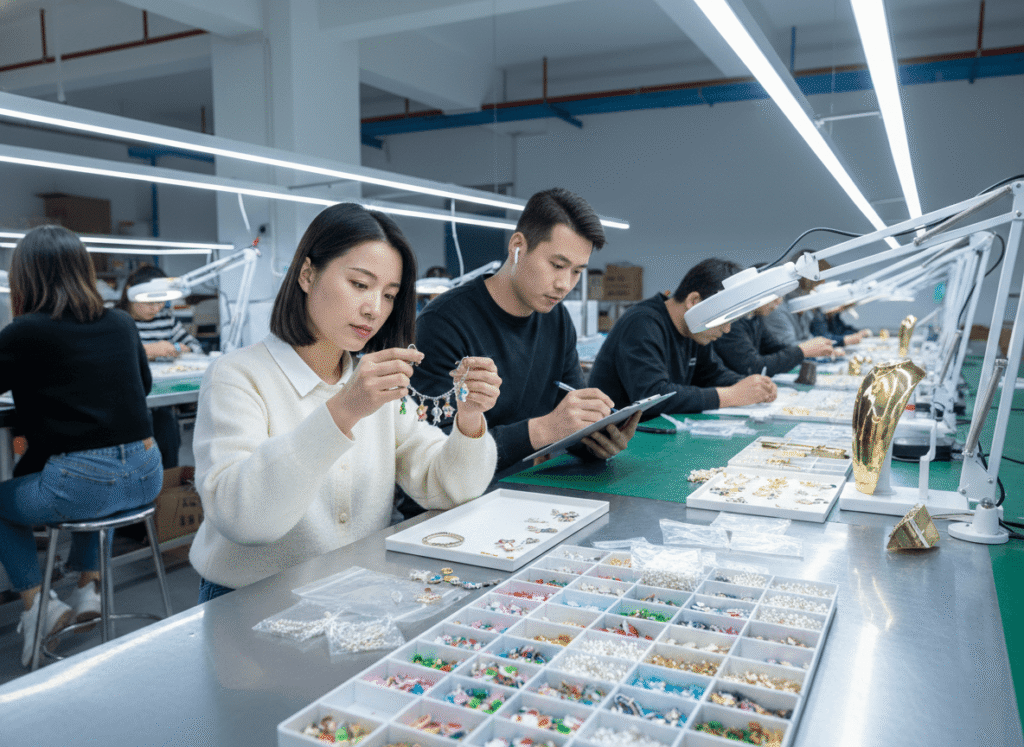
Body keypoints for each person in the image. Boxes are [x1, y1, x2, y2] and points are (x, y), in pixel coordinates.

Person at [189, 203, 500, 603]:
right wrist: (344, 411)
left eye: (389, 295)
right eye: (359, 284)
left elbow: (448, 487)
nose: (374, 308)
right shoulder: (237, 375)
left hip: (356, 593)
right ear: (307, 274)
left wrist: (470, 419)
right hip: (247, 601)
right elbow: (243, 518)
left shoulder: (374, 384)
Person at [0, 225, 163, 667]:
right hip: (147, 475)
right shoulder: (122, 321)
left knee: (3, 501)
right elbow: (143, 386)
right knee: (101, 485)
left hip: (85, 484)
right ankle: (89, 587)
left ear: (25, 277)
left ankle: (39, 607)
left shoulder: (23, 332)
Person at [410, 188, 641, 477]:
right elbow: (437, 454)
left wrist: (595, 439)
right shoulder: (443, 324)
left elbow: (566, 421)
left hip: (517, 491)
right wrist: (542, 429)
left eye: (577, 271)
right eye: (557, 265)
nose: (564, 284)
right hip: (447, 506)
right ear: (517, 246)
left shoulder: (556, 321)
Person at [588, 258, 777, 420]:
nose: (727, 329)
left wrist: (754, 385)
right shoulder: (642, 323)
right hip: (621, 440)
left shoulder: (694, 330)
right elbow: (653, 397)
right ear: (694, 301)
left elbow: (712, 374)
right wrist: (733, 395)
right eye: (723, 319)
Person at [116, 265, 203, 469]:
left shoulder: (165, 319)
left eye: (161, 301)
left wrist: (173, 347)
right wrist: (150, 350)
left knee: (166, 430)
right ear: (131, 292)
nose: (156, 308)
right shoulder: (116, 320)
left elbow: (194, 346)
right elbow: (109, 355)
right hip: (127, 402)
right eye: (149, 301)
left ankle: (168, 485)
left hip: (160, 397)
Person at [714, 296, 835, 377]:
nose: (779, 302)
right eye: (775, 296)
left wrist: (806, 350)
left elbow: (773, 347)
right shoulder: (734, 325)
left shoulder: (756, 318)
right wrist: (801, 351)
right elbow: (753, 367)